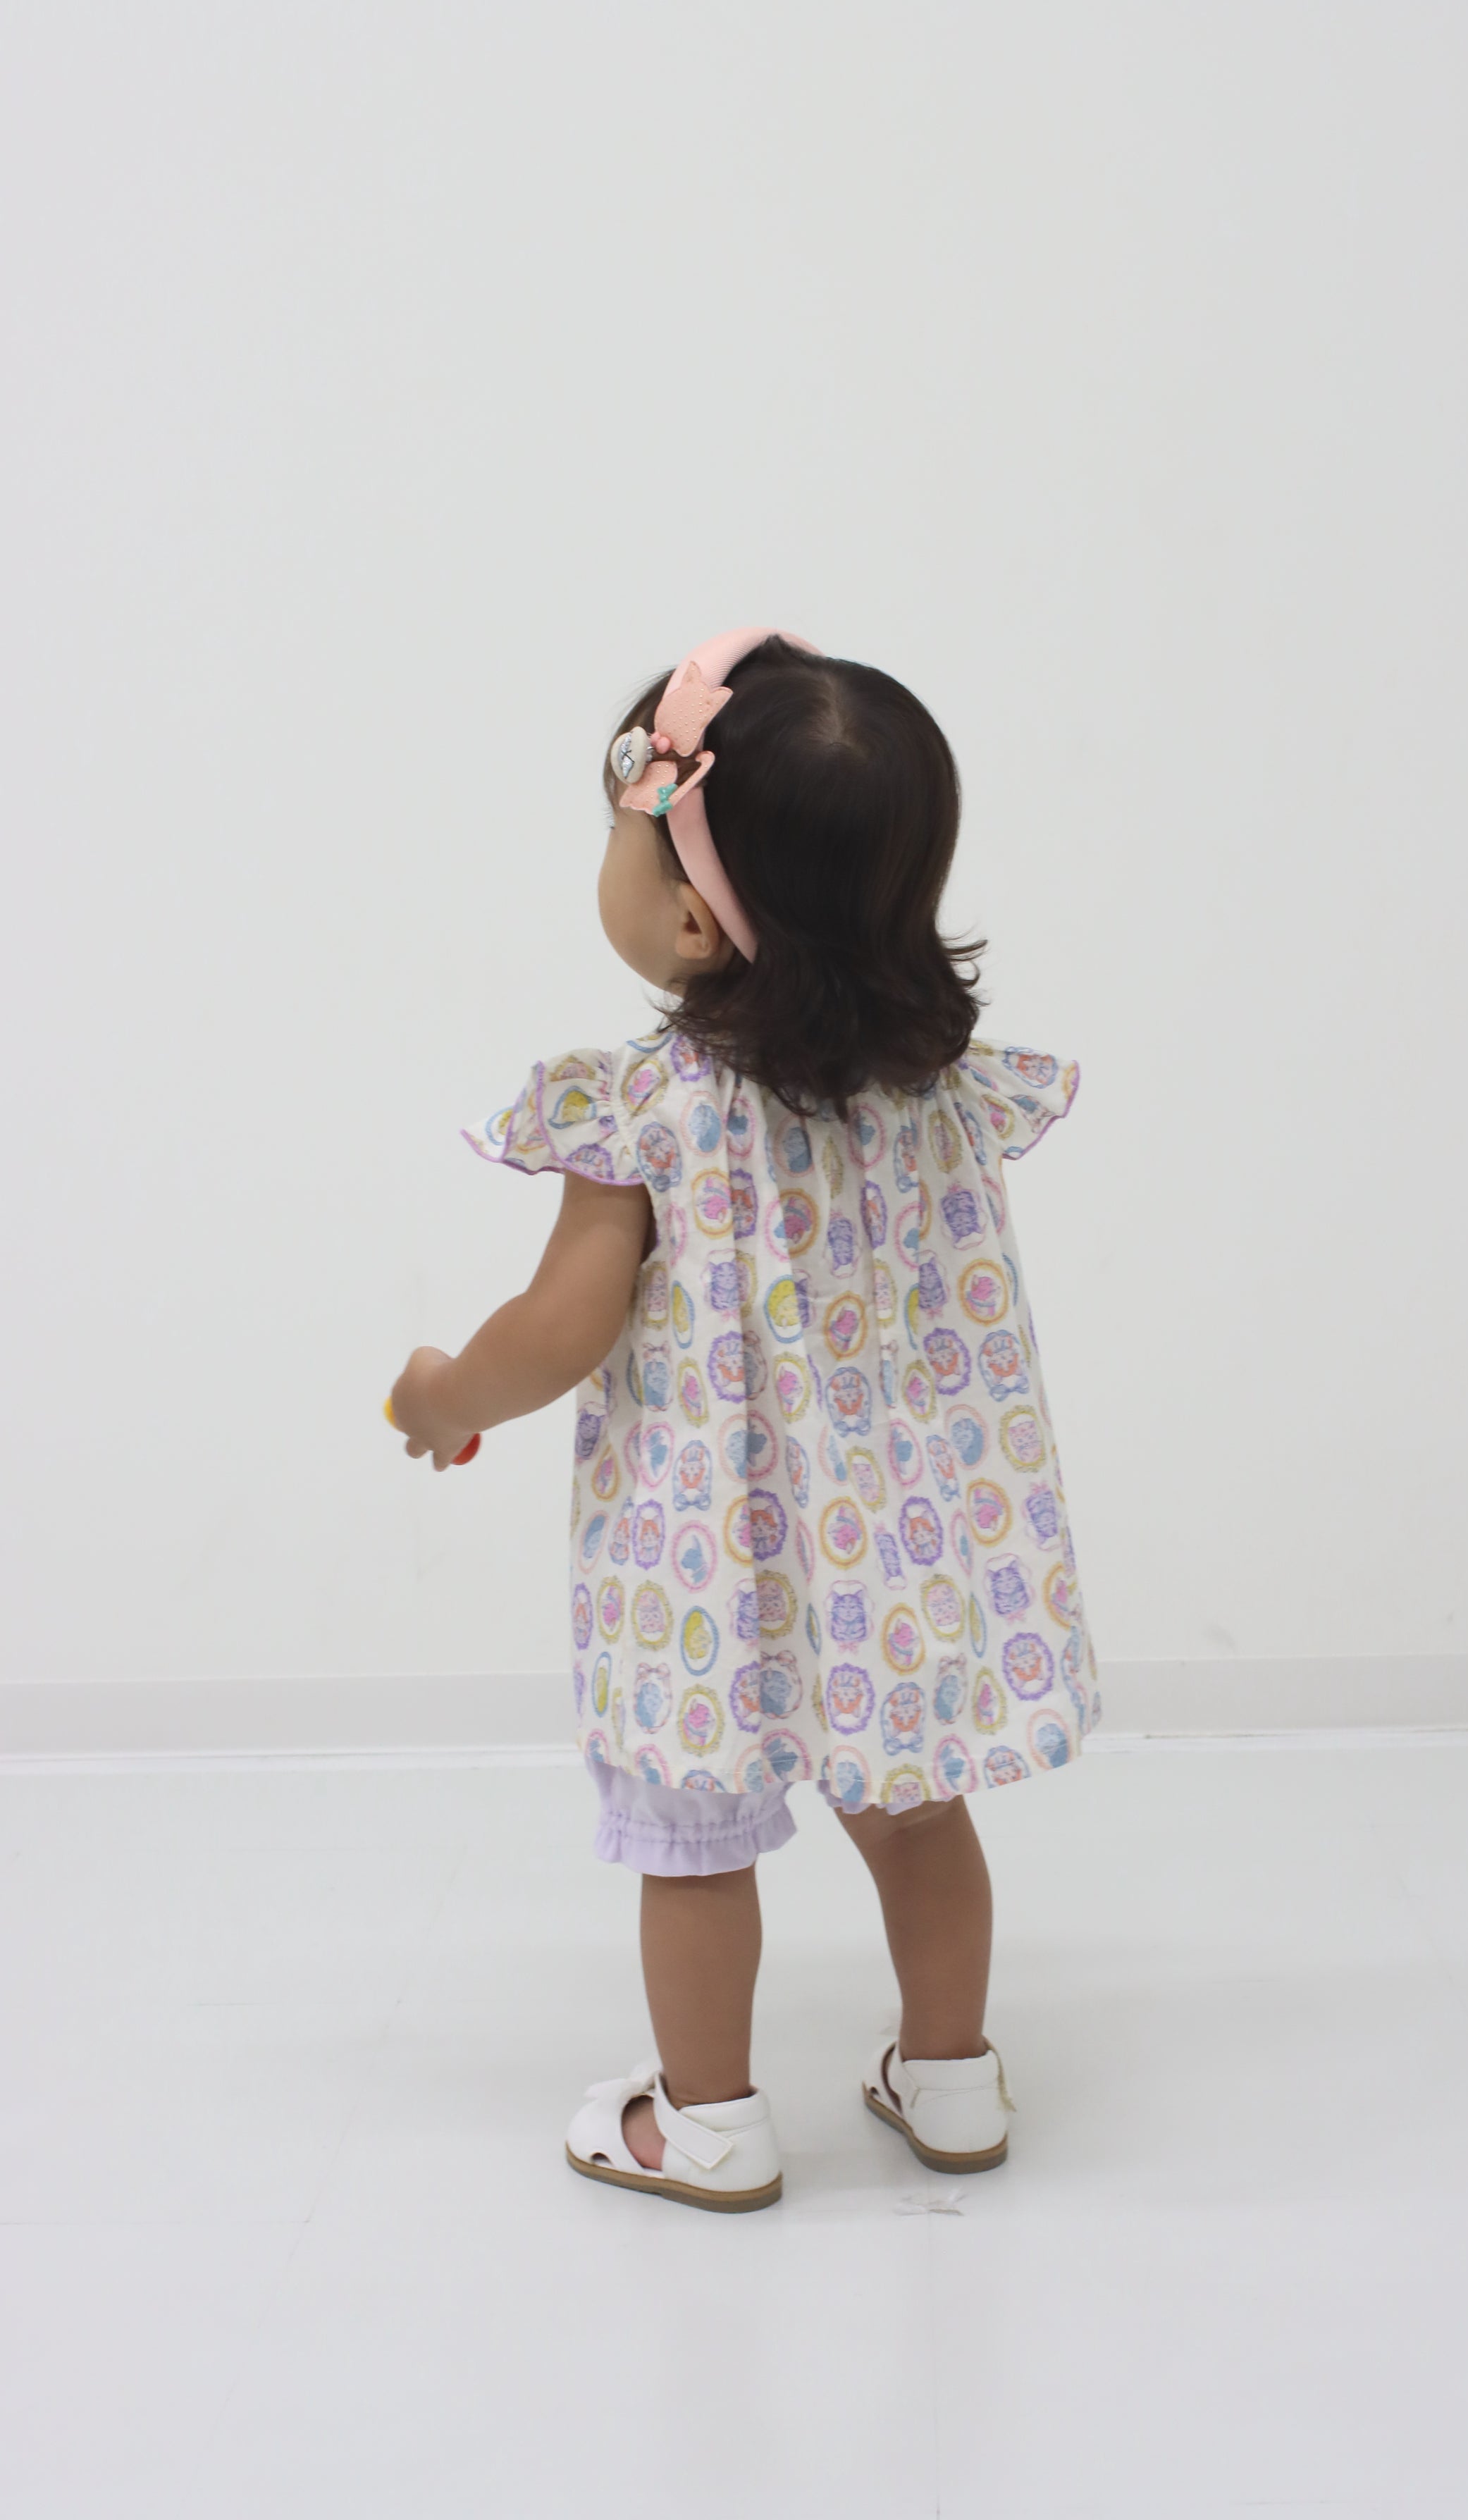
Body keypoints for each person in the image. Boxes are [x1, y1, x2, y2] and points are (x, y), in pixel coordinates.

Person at [388, 629, 1097, 2212]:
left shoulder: (648, 1111)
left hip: (710, 1568)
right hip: (900, 1556)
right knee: (917, 1816)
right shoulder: (940, 1092)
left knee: (693, 1842)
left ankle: (705, 2122)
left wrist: (444, 1396)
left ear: (695, 918)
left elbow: (559, 1330)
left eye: (622, 833)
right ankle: (954, 2079)